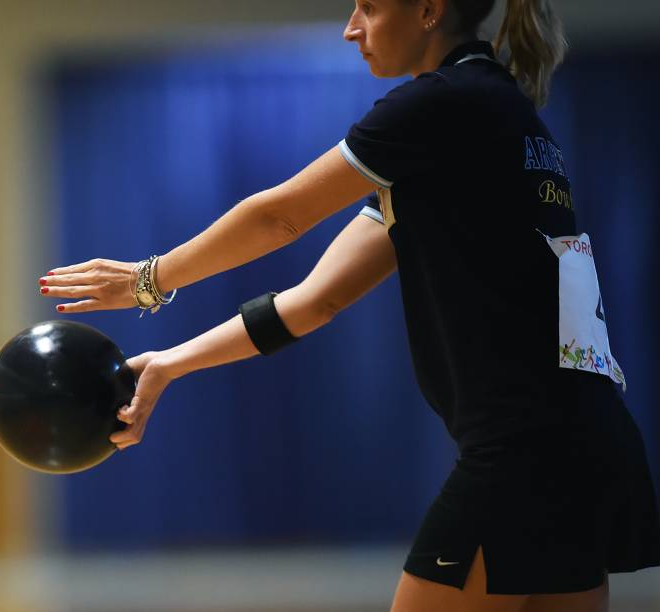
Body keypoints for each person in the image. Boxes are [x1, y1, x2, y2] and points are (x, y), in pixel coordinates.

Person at [37, 0, 660, 609]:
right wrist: (170, 364)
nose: (349, 28)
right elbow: (313, 301)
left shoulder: (441, 104)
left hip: (521, 456)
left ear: (428, 10)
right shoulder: (494, 118)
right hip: (588, 447)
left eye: (367, 6)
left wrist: (150, 278)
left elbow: (279, 216)